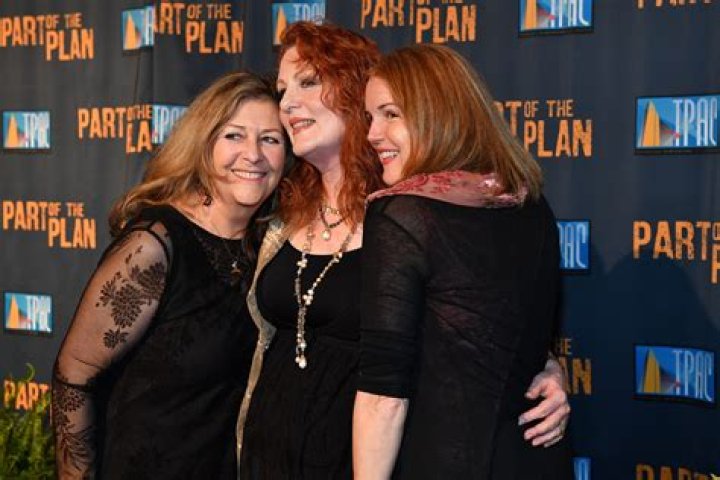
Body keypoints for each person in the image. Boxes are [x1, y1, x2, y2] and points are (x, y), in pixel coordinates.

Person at [238, 22, 570, 479]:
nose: (287, 104)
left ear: (357, 91)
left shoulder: (415, 205)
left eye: (309, 82)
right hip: (273, 449)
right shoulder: (277, 206)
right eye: (282, 91)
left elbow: (475, 312)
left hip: (370, 457)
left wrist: (544, 368)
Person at [52, 72, 289, 479]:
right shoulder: (155, 246)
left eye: (270, 139)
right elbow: (74, 376)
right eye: (234, 135)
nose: (253, 154)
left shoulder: (272, 247)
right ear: (203, 143)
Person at [353, 44, 573, 479]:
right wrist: (553, 369)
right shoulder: (530, 203)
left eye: (391, 114)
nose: (372, 134)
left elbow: (383, 396)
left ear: (439, 113)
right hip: (534, 458)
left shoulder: (402, 214)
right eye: (370, 117)